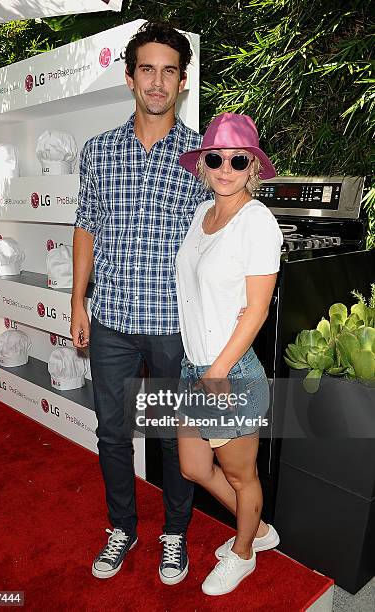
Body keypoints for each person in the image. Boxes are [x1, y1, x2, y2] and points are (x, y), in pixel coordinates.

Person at [70, 21, 209, 584]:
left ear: (182, 81)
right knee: (111, 432)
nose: (157, 81)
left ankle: (174, 534)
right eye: (147, 69)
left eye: (169, 71)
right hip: (112, 322)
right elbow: (87, 225)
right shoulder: (98, 151)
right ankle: (121, 528)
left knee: (178, 435)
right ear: (130, 78)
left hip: (177, 326)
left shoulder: (206, 158)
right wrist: (77, 301)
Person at [176, 112, 283, 596]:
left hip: (228, 372)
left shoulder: (258, 223)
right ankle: (257, 529)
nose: (225, 167)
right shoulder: (202, 214)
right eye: (215, 157)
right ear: (203, 163)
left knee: (243, 477)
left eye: (237, 159)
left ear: (253, 167)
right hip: (193, 366)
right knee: (193, 467)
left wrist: (218, 372)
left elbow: (257, 311)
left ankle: (243, 553)